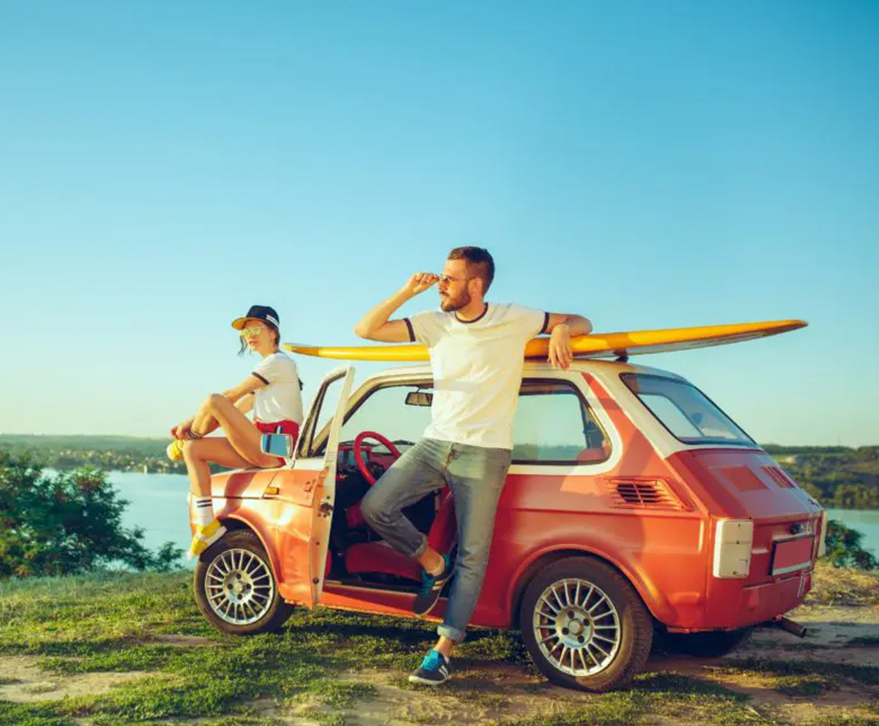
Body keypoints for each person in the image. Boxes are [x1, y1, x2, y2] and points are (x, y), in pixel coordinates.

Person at [354, 246, 593, 685]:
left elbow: (582, 321)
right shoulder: (434, 323)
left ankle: (443, 650)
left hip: (485, 452)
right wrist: (407, 291)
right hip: (435, 443)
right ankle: (433, 565)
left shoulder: (513, 317)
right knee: (376, 506)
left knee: (473, 553)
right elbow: (365, 329)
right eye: (441, 276)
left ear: (476, 285)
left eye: (450, 278)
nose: (441, 285)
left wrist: (561, 329)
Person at [168, 305, 303, 557]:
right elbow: (233, 409)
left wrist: (189, 426)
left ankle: (188, 438)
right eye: (245, 332)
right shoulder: (267, 373)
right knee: (193, 449)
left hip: (276, 447)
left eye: (256, 329)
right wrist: (192, 429)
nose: (249, 335)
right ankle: (207, 525)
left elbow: (228, 396)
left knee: (213, 400)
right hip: (259, 444)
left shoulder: (279, 362)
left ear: (273, 332)